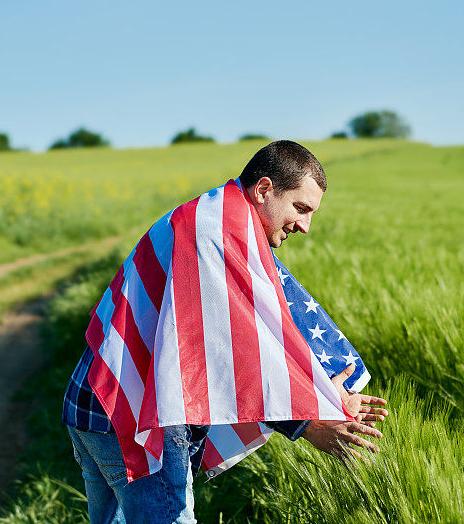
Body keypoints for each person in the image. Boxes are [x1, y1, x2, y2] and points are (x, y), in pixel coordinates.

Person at [62, 140, 389, 523]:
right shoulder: (214, 233)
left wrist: (321, 391)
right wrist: (310, 424)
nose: (305, 226)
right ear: (264, 189)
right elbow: (235, 350)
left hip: (96, 401)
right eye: (301, 208)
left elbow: (270, 318)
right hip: (132, 417)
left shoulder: (218, 218)